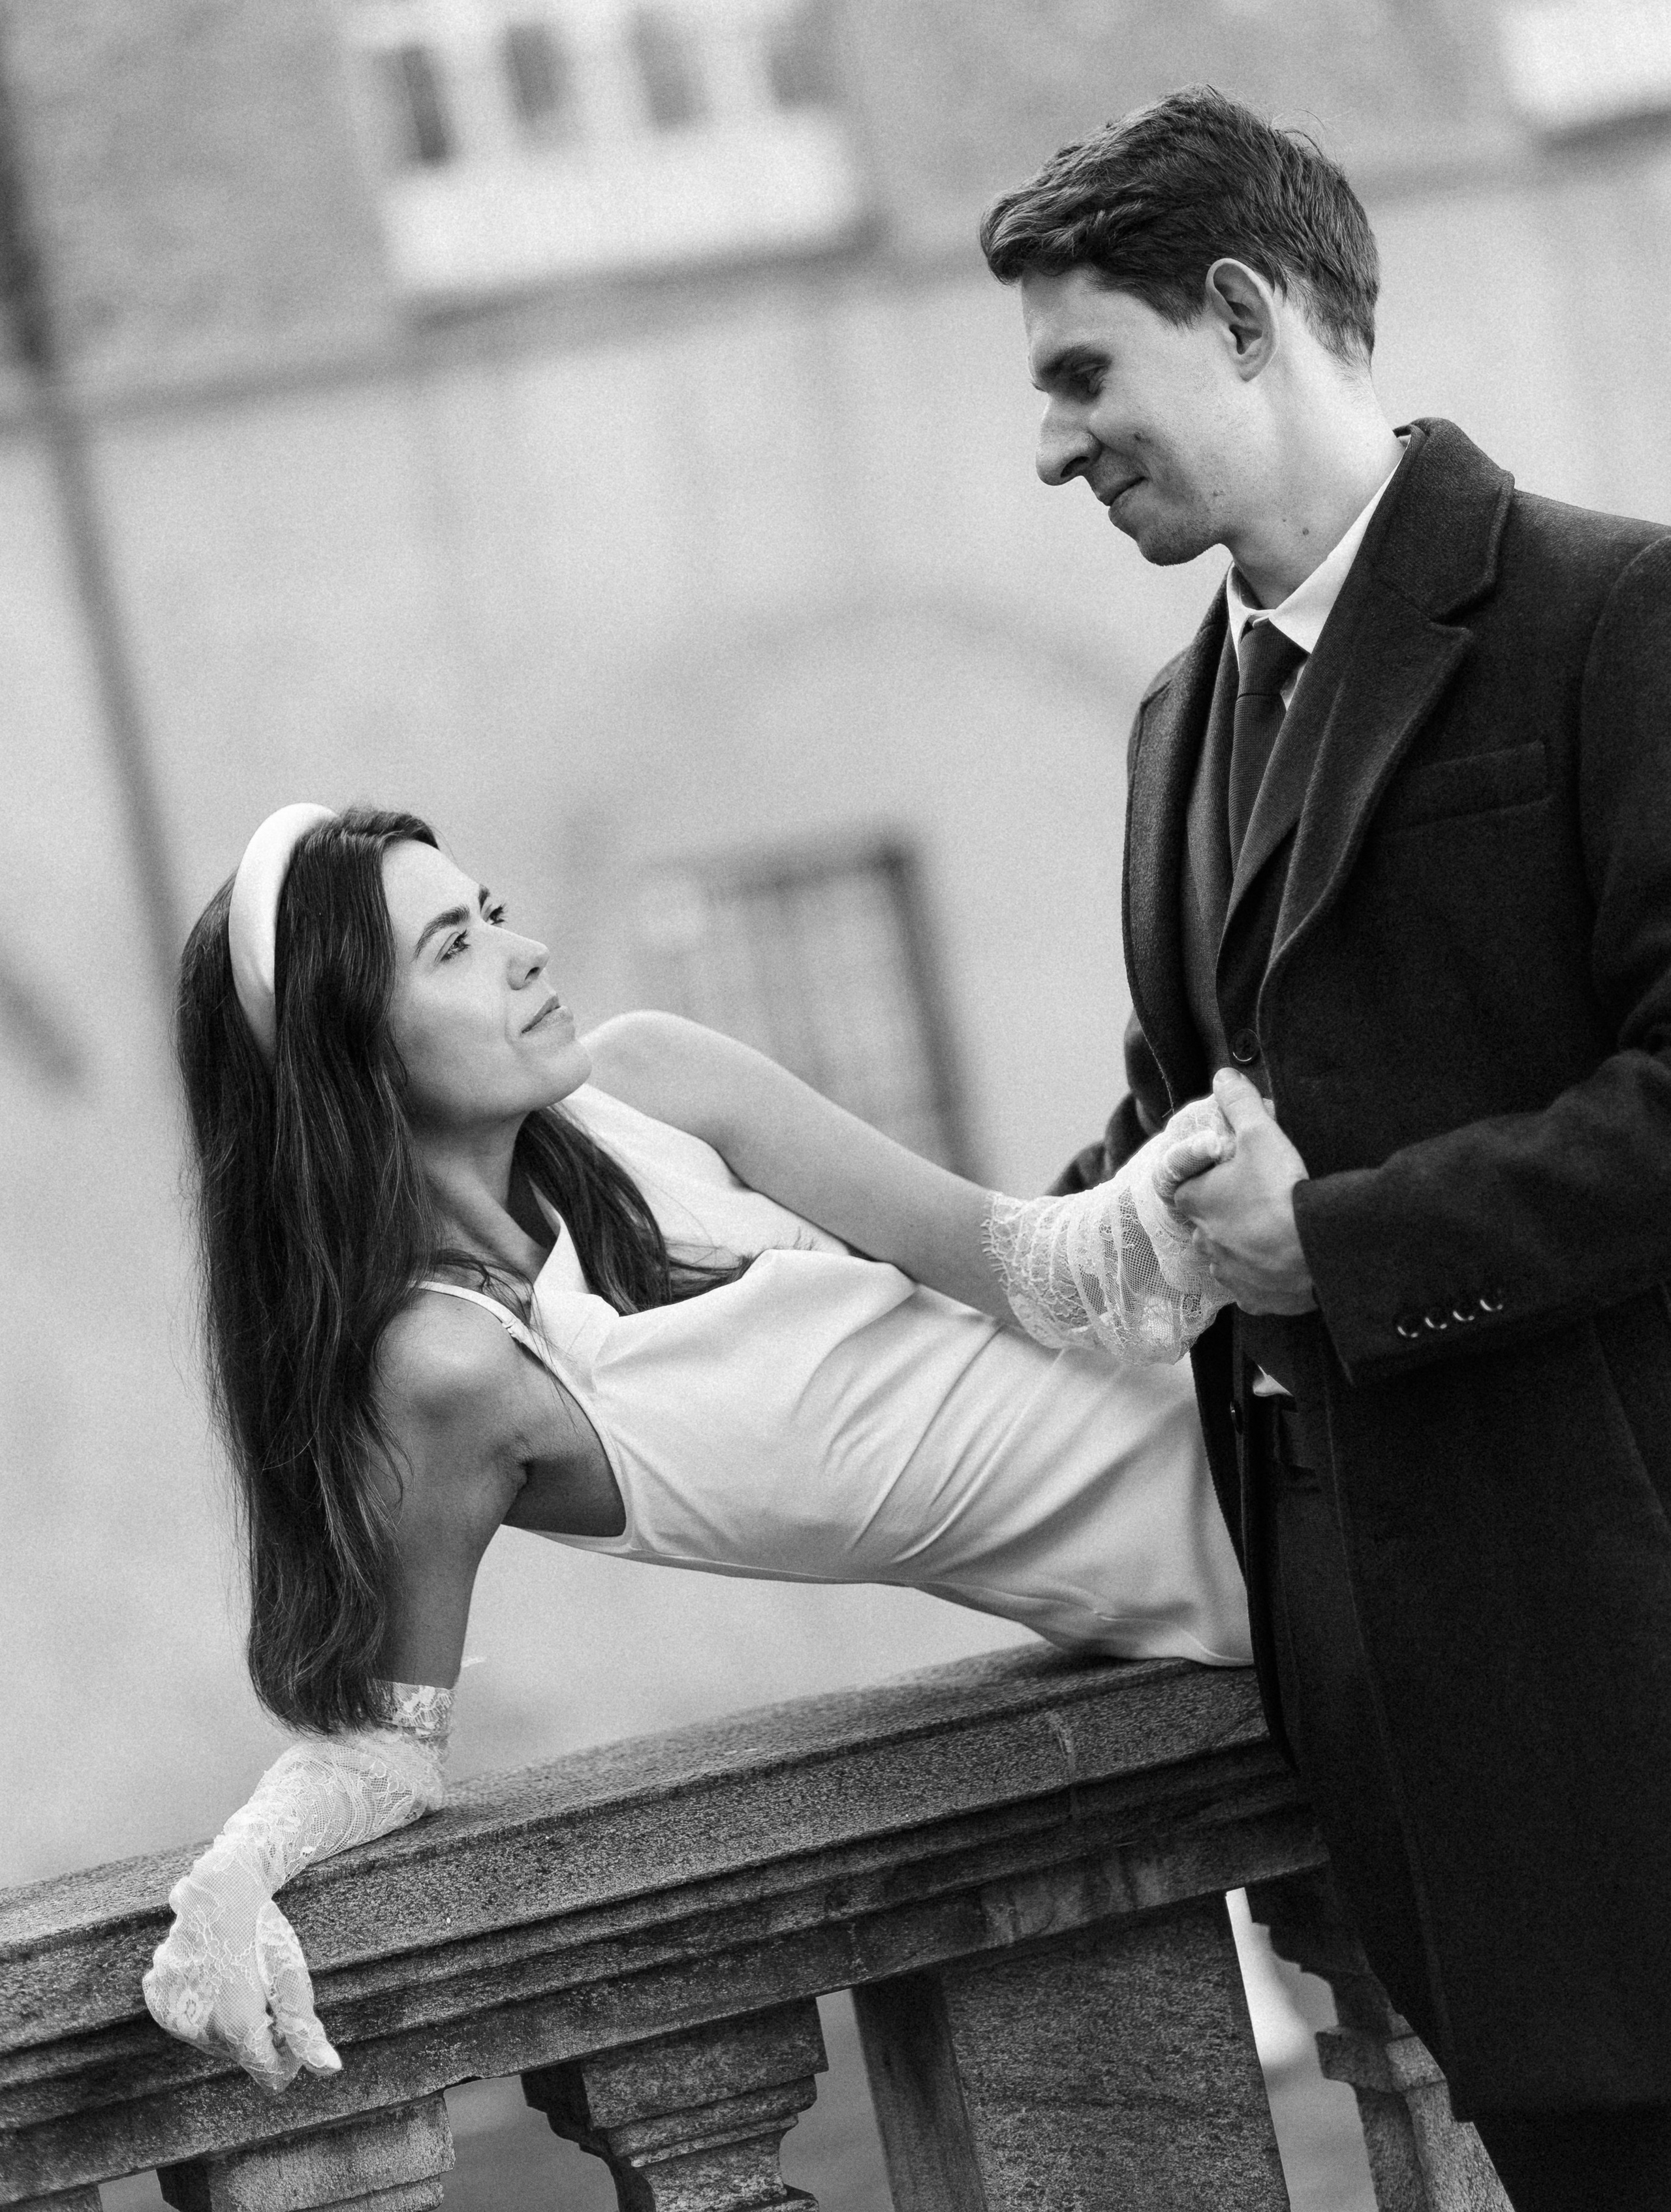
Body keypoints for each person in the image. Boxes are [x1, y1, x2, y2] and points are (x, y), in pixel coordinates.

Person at [979, 84, 1671, 2212]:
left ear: (1251, 312)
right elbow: (1164, 1135)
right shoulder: (1169, 735)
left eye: (1085, 374)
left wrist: (1346, 1243)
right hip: (1407, 1755)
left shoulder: (1612, 617)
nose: (1050, 444)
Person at [142, 802, 1251, 2091]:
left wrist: (1192, 1174)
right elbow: (384, 1741)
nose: (527, 951)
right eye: (453, 947)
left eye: (492, 915)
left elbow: (1042, 1270)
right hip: (1258, 1587)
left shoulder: (654, 1083)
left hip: (1295, 1439)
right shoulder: (451, 1376)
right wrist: (237, 1873)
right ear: (348, 1053)